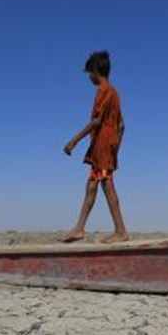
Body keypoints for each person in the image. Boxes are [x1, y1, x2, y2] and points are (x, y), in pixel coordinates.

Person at [61, 50, 129, 243]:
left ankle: (121, 231)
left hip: (102, 145)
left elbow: (97, 121)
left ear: (95, 71)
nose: (89, 77)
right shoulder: (114, 93)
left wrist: (74, 141)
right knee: (92, 185)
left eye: (89, 72)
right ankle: (79, 229)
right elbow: (122, 126)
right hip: (105, 147)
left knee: (107, 185)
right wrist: (116, 149)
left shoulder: (104, 91)